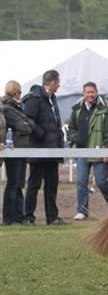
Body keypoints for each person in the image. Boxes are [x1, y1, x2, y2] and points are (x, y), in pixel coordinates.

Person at [67, 82, 108, 220]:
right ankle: (82, 211)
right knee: (81, 182)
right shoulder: (77, 110)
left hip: (99, 151)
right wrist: (75, 139)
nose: (90, 95)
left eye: (92, 92)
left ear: (96, 92)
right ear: (83, 93)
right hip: (82, 151)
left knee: (101, 181)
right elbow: (71, 128)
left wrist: (107, 151)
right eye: (87, 92)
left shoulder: (105, 110)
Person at [22, 71, 66, 225]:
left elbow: (55, 123)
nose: (59, 85)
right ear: (52, 82)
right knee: (34, 184)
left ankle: (52, 217)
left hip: (52, 150)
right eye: (58, 82)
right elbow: (27, 119)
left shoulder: (52, 99)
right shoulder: (35, 98)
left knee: (51, 185)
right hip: (38, 149)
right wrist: (41, 133)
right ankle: (28, 217)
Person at [2, 82, 34, 225]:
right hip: (14, 150)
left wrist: (26, 124)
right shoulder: (9, 109)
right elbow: (25, 127)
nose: (20, 95)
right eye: (19, 92)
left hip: (21, 148)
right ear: (15, 93)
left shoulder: (16, 108)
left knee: (19, 184)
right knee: (13, 183)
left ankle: (18, 216)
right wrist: (25, 125)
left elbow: (30, 125)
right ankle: (9, 218)